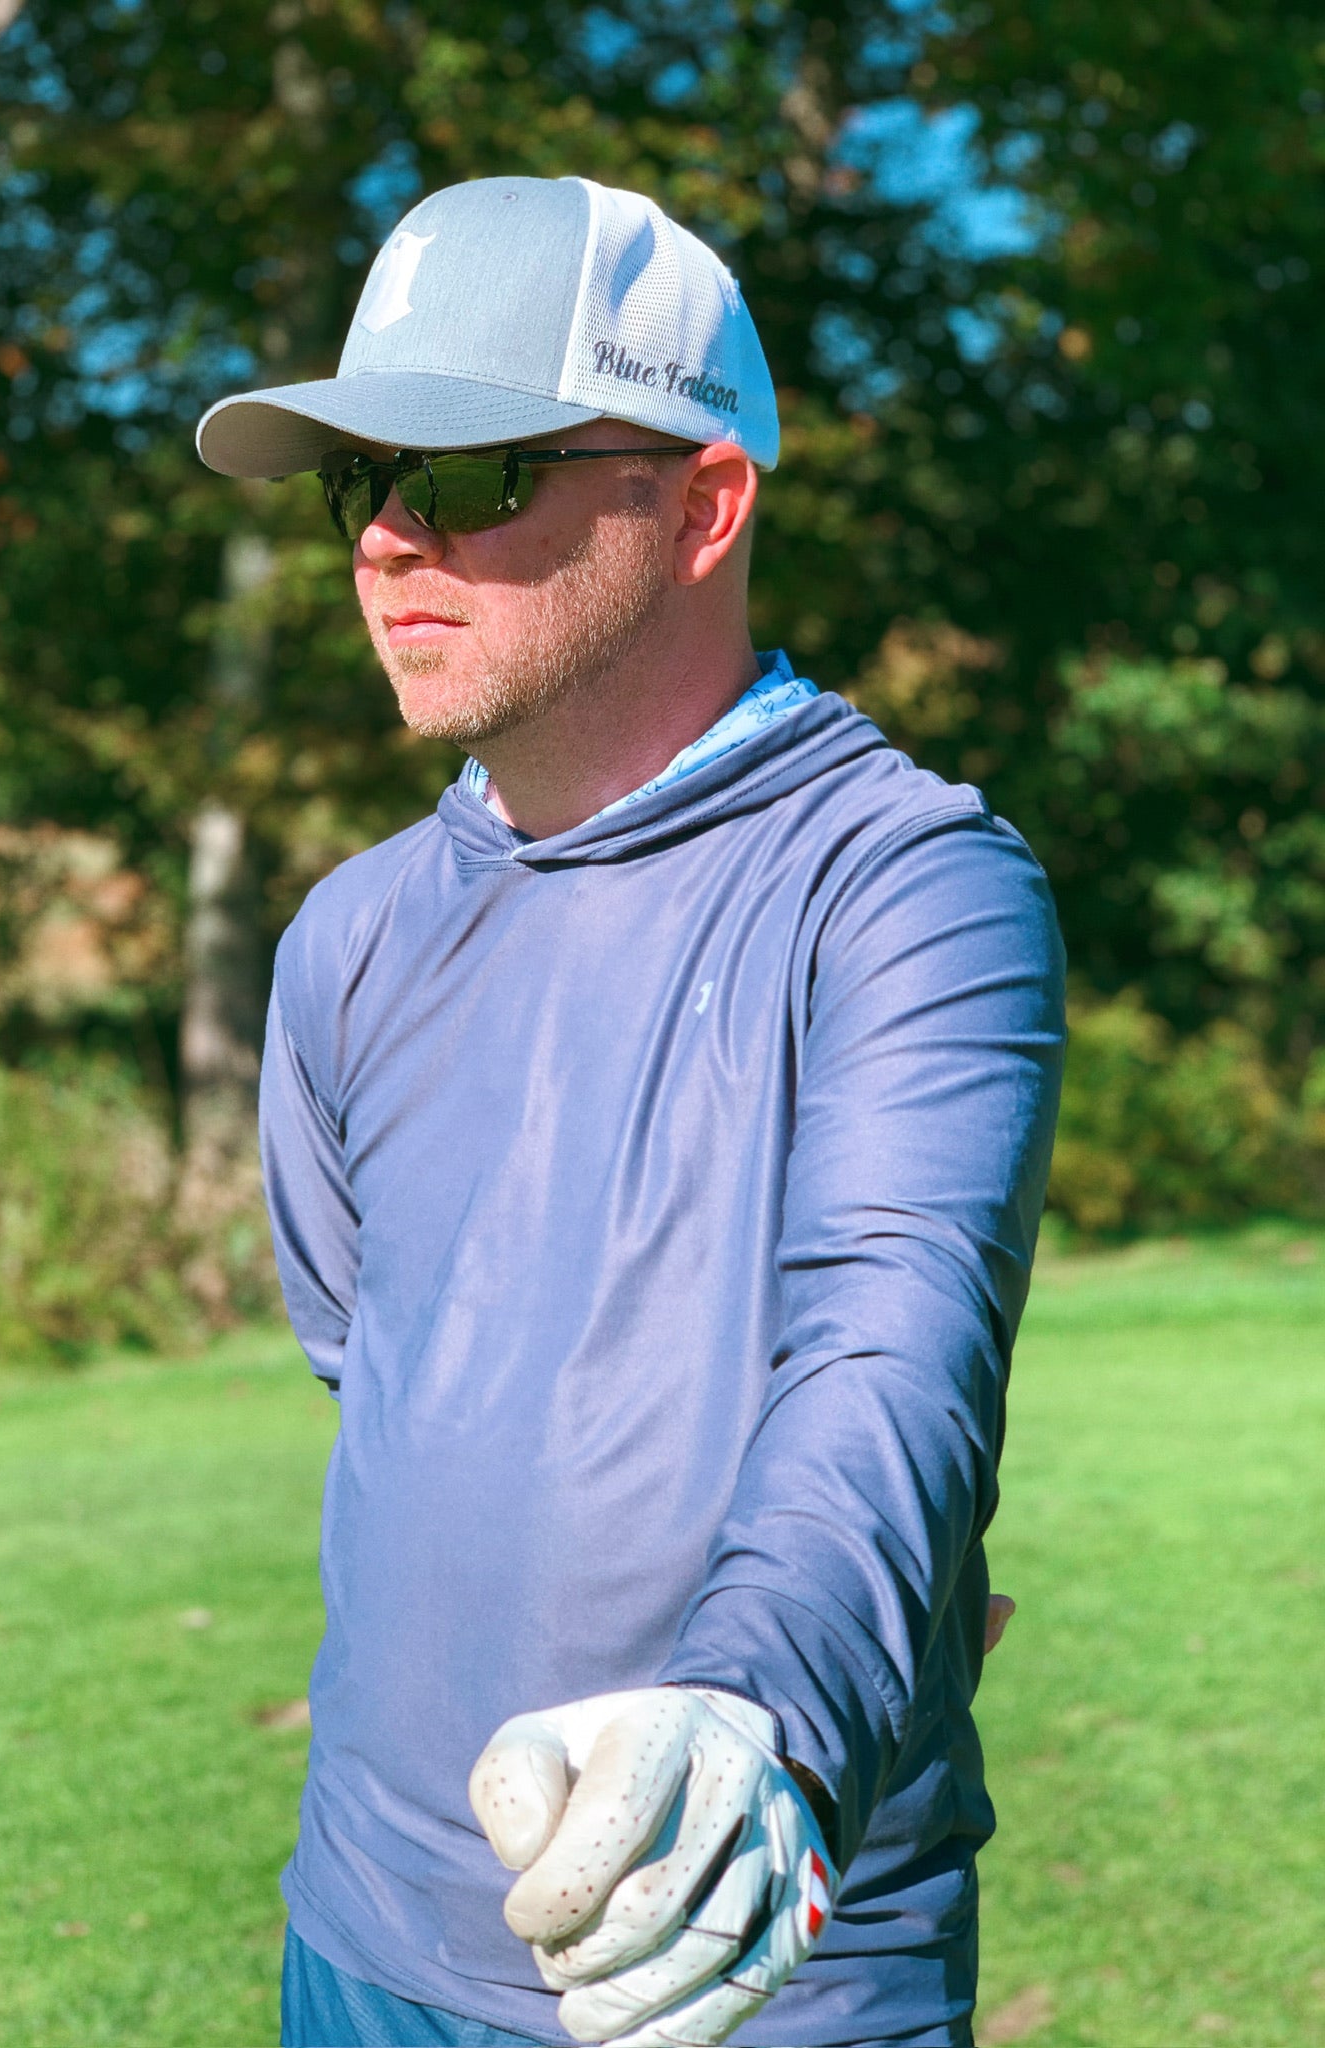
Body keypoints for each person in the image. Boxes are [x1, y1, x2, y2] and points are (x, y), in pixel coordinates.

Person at [197, 175, 1064, 2048]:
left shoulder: (906, 885)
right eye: (364, 481)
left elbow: (889, 1361)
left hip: (751, 1952)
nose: (390, 537)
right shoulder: (345, 940)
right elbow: (391, 1370)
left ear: (701, 502)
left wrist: (756, 1715)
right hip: (361, 1939)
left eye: (482, 472)